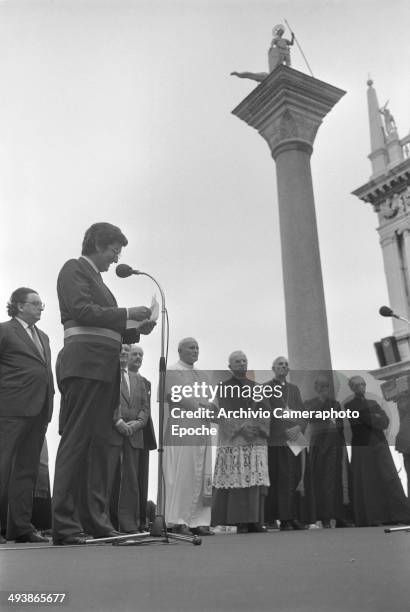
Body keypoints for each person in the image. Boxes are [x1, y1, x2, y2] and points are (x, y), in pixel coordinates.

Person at [52, 222, 155, 545]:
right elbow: (81, 311)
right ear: (97, 244)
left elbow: (107, 323)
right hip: (84, 365)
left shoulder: (98, 280)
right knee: (77, 441)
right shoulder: (74, 269)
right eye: (113, 250)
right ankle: (64, 523)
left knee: (99, 448)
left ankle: (95, 521)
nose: (115, 258)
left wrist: (137, 327)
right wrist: (126, 312)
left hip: (102, 368)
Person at [0, 287, 54, 543]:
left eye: (41, 304)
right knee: (2, 466)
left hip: (40, 409)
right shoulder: (4, 331)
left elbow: (45, 371)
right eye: (35, 303)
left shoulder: (43, 336)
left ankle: (20, 527)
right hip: (10, 409)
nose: (41, 307)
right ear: (19, 306)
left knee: (27, 470)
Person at [211, 351, 270, 533]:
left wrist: (258, 428)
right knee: (237, 479)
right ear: (230, 366)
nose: (242, 364)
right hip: (235, 440)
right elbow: (214, 412)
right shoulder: (222, 388)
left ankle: (256, 520)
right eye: (237, 361)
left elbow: (267, 413)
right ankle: (240, 521)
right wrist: (239, 428)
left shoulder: (258, 388)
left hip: (255, 440)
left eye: (244, 360)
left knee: (254, 480)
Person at [163, 338, 214, 536]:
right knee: (183, 474)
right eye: (191, 348)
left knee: (202, 475)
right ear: (180, 351)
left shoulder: (202, 374)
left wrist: (211, 408)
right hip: (183, 427)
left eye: (197, 347)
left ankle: (198, 521)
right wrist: (202, 407)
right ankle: (179, 519)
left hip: (202, 428)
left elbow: (209, 398)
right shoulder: (173, 371)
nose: (195, 351)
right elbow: (178, 395)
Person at [345, 376, 410, 527]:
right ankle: (373, 517)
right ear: (352, 387)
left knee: (390, 478)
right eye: (357, 385)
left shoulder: (373, 403)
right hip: (363, 446)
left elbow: (385, 422)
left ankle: (399, 514)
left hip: (379, 443)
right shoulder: (349, 405)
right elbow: (365, 419)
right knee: (368, 481)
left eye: (363, 384)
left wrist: (375, 418)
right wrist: (375, 417)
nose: (361, 387)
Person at [264, 356, 315, 530]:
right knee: (280, 479)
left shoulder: (294, 389)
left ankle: (293, 516)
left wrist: (299, 428)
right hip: (276, 441)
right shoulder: (265, 388)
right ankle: (283, 518)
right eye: (280, 364)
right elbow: (265, 415)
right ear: (273, 368)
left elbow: (303, 413)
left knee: (294, 477)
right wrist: (281, 430)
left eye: (286, 365)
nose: (284, 367)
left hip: (294, 439)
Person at [107, 344, 149, 533]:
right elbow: (106, 401)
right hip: (113, 431)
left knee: (132, 482)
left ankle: (129, 524)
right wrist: (118, 422)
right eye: (122, 350)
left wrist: (138, 423)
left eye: (128, 349)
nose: (125, 352)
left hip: (134, 434)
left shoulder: (140, 380)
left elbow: (145, 407)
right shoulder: (109, 375)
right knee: (108, 479)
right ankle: (106, 523)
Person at [305, 375, 351, 528]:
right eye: (320, 386)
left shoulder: (336, 404)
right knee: (321, 481)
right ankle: (324, 516)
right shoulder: (309, 403)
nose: (323, 389)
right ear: (316, 388)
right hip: (319, 446)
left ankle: (339, 516)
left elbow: (340, 425)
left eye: (325, 386)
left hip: (334, 446)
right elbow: (311, 418)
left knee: (337, 481)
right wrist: (321, 402)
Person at [128, 345, 157, 530]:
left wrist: (140, 423)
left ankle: (140, 519)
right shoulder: (117, 379)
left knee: (141, 478)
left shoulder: (146, 382)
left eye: (141, 354)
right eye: (135, 354)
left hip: (143, 433)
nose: (138, 357)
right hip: (124, 430)